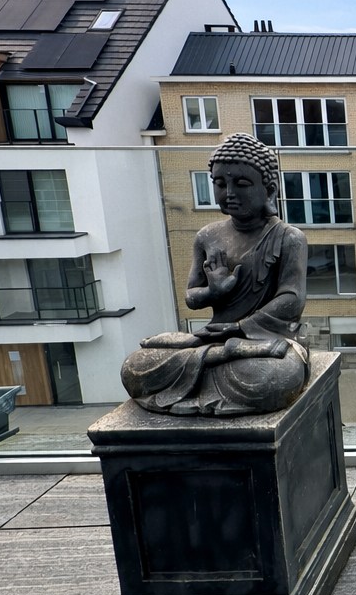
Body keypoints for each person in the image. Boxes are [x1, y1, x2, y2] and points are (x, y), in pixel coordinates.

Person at [121, 133, 310, 416]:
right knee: (135, 366)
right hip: (214, 337)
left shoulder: (289, 238)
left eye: (242, 184)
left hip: (264, 340)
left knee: (274, 377)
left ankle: (213, 361)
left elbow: (292, 299)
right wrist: (214, 292)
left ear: (269, 190)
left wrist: (240, 327)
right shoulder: (207, 235)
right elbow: (192, 297)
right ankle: (220, 355)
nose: (229, 193)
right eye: (220, 184)